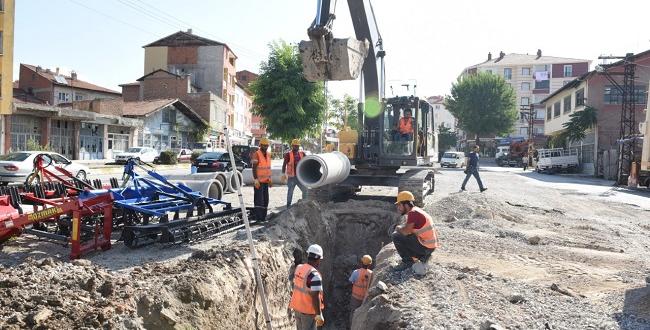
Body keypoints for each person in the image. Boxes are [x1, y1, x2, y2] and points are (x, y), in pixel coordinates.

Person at [391, 191, 440, 271]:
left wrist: (397, 228)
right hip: (429, 247)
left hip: (426, 248)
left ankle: (408, 262)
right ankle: (421, 257)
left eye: (399, 205)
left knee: (396, 236)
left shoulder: (413, 213)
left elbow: (406, 232)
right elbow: (410, 230)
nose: (398, 208)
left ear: (406, 204)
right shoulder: (416, 211)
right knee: (405, 234)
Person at [289, 244, 326, 330]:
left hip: (297, 308)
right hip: (308, 313)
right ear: (318, 259)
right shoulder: (314, 275)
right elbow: (315, 296)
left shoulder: (299, 268)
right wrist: (319, 314)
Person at [282, 139, 307, 209]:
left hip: (300, 177)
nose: (296, 147)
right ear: (292, 146)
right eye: (295, 146)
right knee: (290, 192)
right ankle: (288, 205)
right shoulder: (288, 155)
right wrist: (283, 174)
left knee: (305, 190)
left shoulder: (302, 154)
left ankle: (304, 203)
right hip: (292, 177)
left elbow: (308, 161)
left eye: (297, 146)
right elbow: (284, 165)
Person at [252, 138, 272, 221]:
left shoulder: (268, 154)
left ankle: (263, 217)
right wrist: (255, 179)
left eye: (267, 145)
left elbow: (268, 168)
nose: (266, 147)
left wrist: (270, 179)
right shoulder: (256, 154)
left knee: (265, 200)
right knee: (259, 200)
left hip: (266, 181)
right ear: (260, 145)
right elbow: (254, 168)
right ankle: (258, 217)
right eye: (264, 145)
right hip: (259, 182)